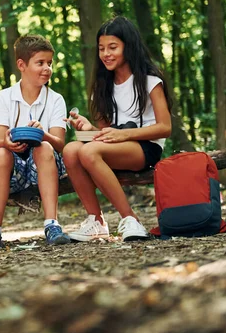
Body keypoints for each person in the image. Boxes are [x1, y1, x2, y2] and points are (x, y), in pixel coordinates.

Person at [63, 16, 172, 242]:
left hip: (146, 147)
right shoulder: (103, 86)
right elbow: (107, 133)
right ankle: (96, 221)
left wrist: (123, 134)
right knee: (71, 150)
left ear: (128, 47)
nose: (106, 54)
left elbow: (165, 127)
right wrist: (89, 129)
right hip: (119, 145)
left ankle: (131, 219)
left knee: (87, 151)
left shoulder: (150, 80)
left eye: (113, 47)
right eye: (101, 48)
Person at [0, 35, 71, 249]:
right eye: (40, 63)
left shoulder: (55, 99)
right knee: (1, 154)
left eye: (49, 63)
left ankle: (52, 224)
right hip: (13, 169)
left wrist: (44, 134)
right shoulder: (5, 97)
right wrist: (7, 142)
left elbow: (60, 144)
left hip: (47, 164)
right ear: (22, 65)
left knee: (44, 147)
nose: (47, 68)